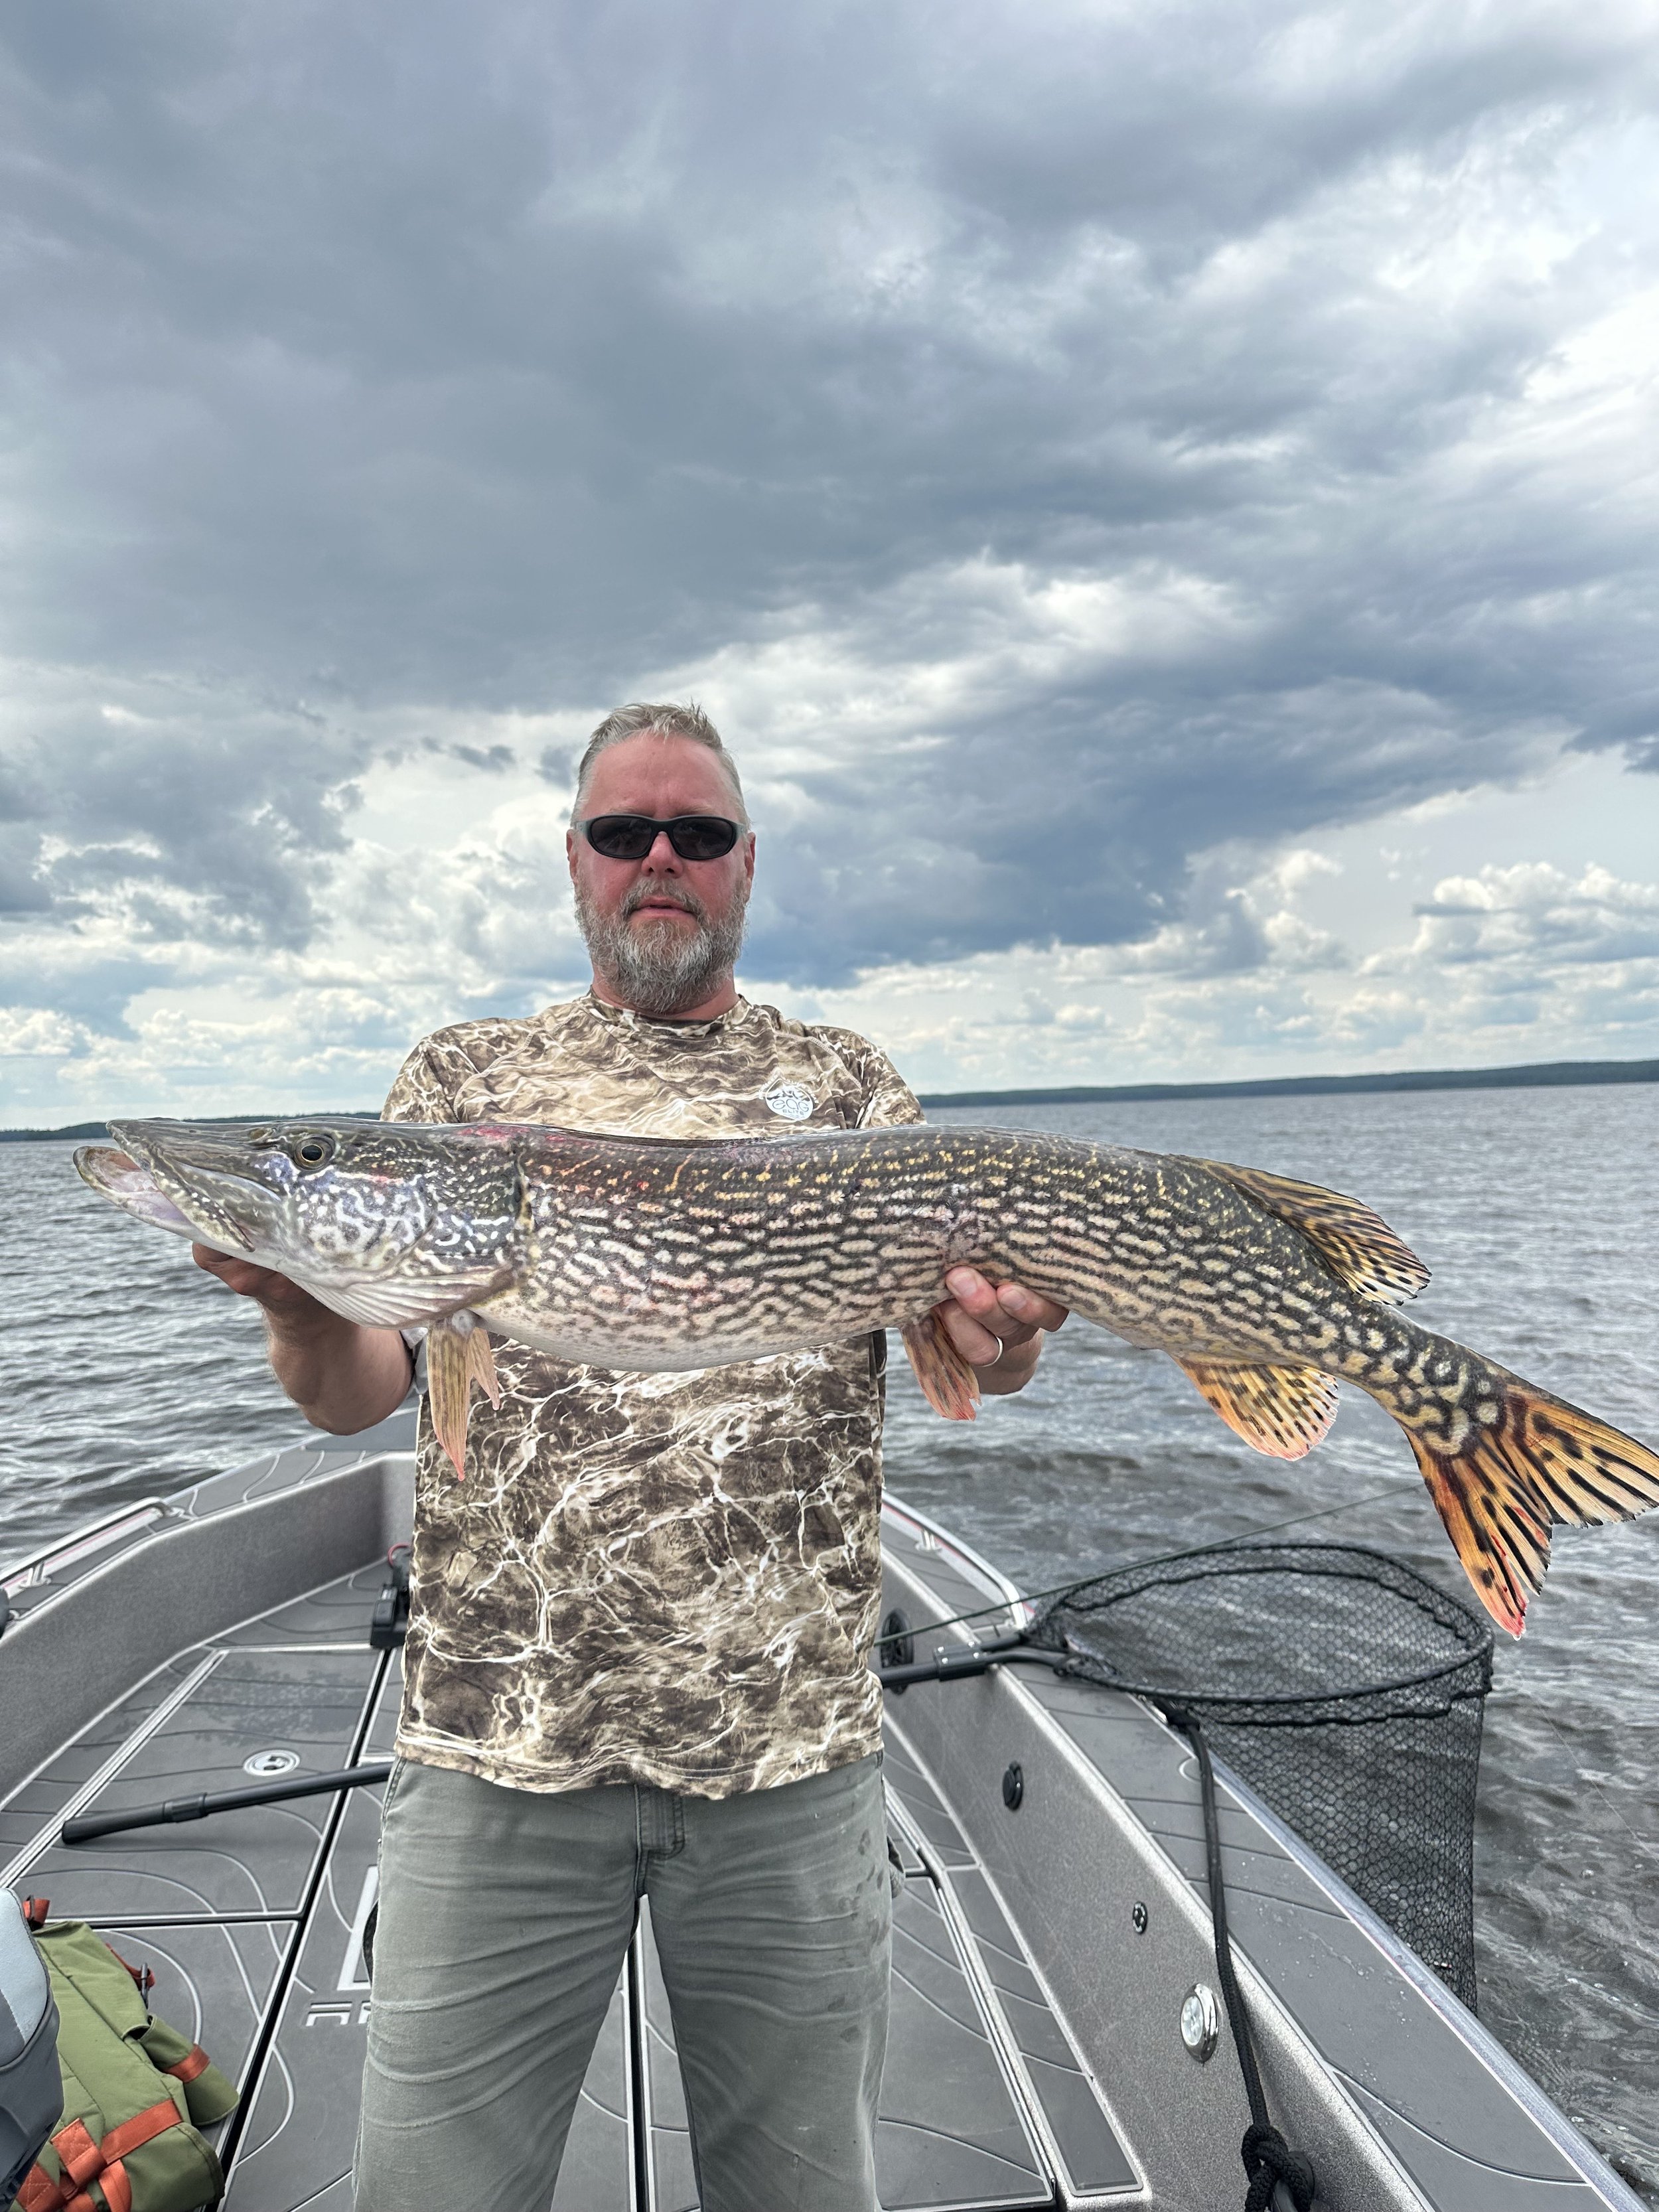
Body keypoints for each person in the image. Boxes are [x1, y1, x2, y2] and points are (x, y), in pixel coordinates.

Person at [194, 702, 1067, 2212]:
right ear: (578, 862)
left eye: (697, 833)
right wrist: (297, 1290)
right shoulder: (465, 1079)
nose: (659, 858)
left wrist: (1009, 1331)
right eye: (622, 832)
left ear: (743, 864)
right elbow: (357, 1389)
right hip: (496, 1749)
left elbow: (986, 1337)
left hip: (790, 1757)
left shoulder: (848, 1083)